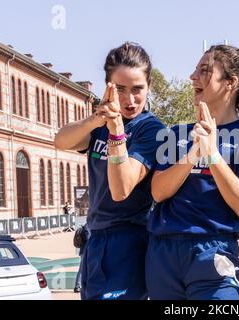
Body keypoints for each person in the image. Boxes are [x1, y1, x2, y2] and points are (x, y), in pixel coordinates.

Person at [146, 45, 239, 300]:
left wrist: (213, 154)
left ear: (230, 83)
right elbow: (158, 193)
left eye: (204, 70)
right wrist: (195, 151)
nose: (192, 77)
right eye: (195, 70)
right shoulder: (176, 135)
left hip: (214, 251)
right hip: (164, 254)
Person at [54, 42, 165, 300]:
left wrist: (116, 131)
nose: (129, 99)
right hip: (95, 240)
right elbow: (61, 141)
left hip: (129, 242)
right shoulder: (99, 124)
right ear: (108, 87)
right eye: (121, 90)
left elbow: (121, 189)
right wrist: (97, 118)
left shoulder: (151, 130)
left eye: (138, 89)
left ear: (149, 86)